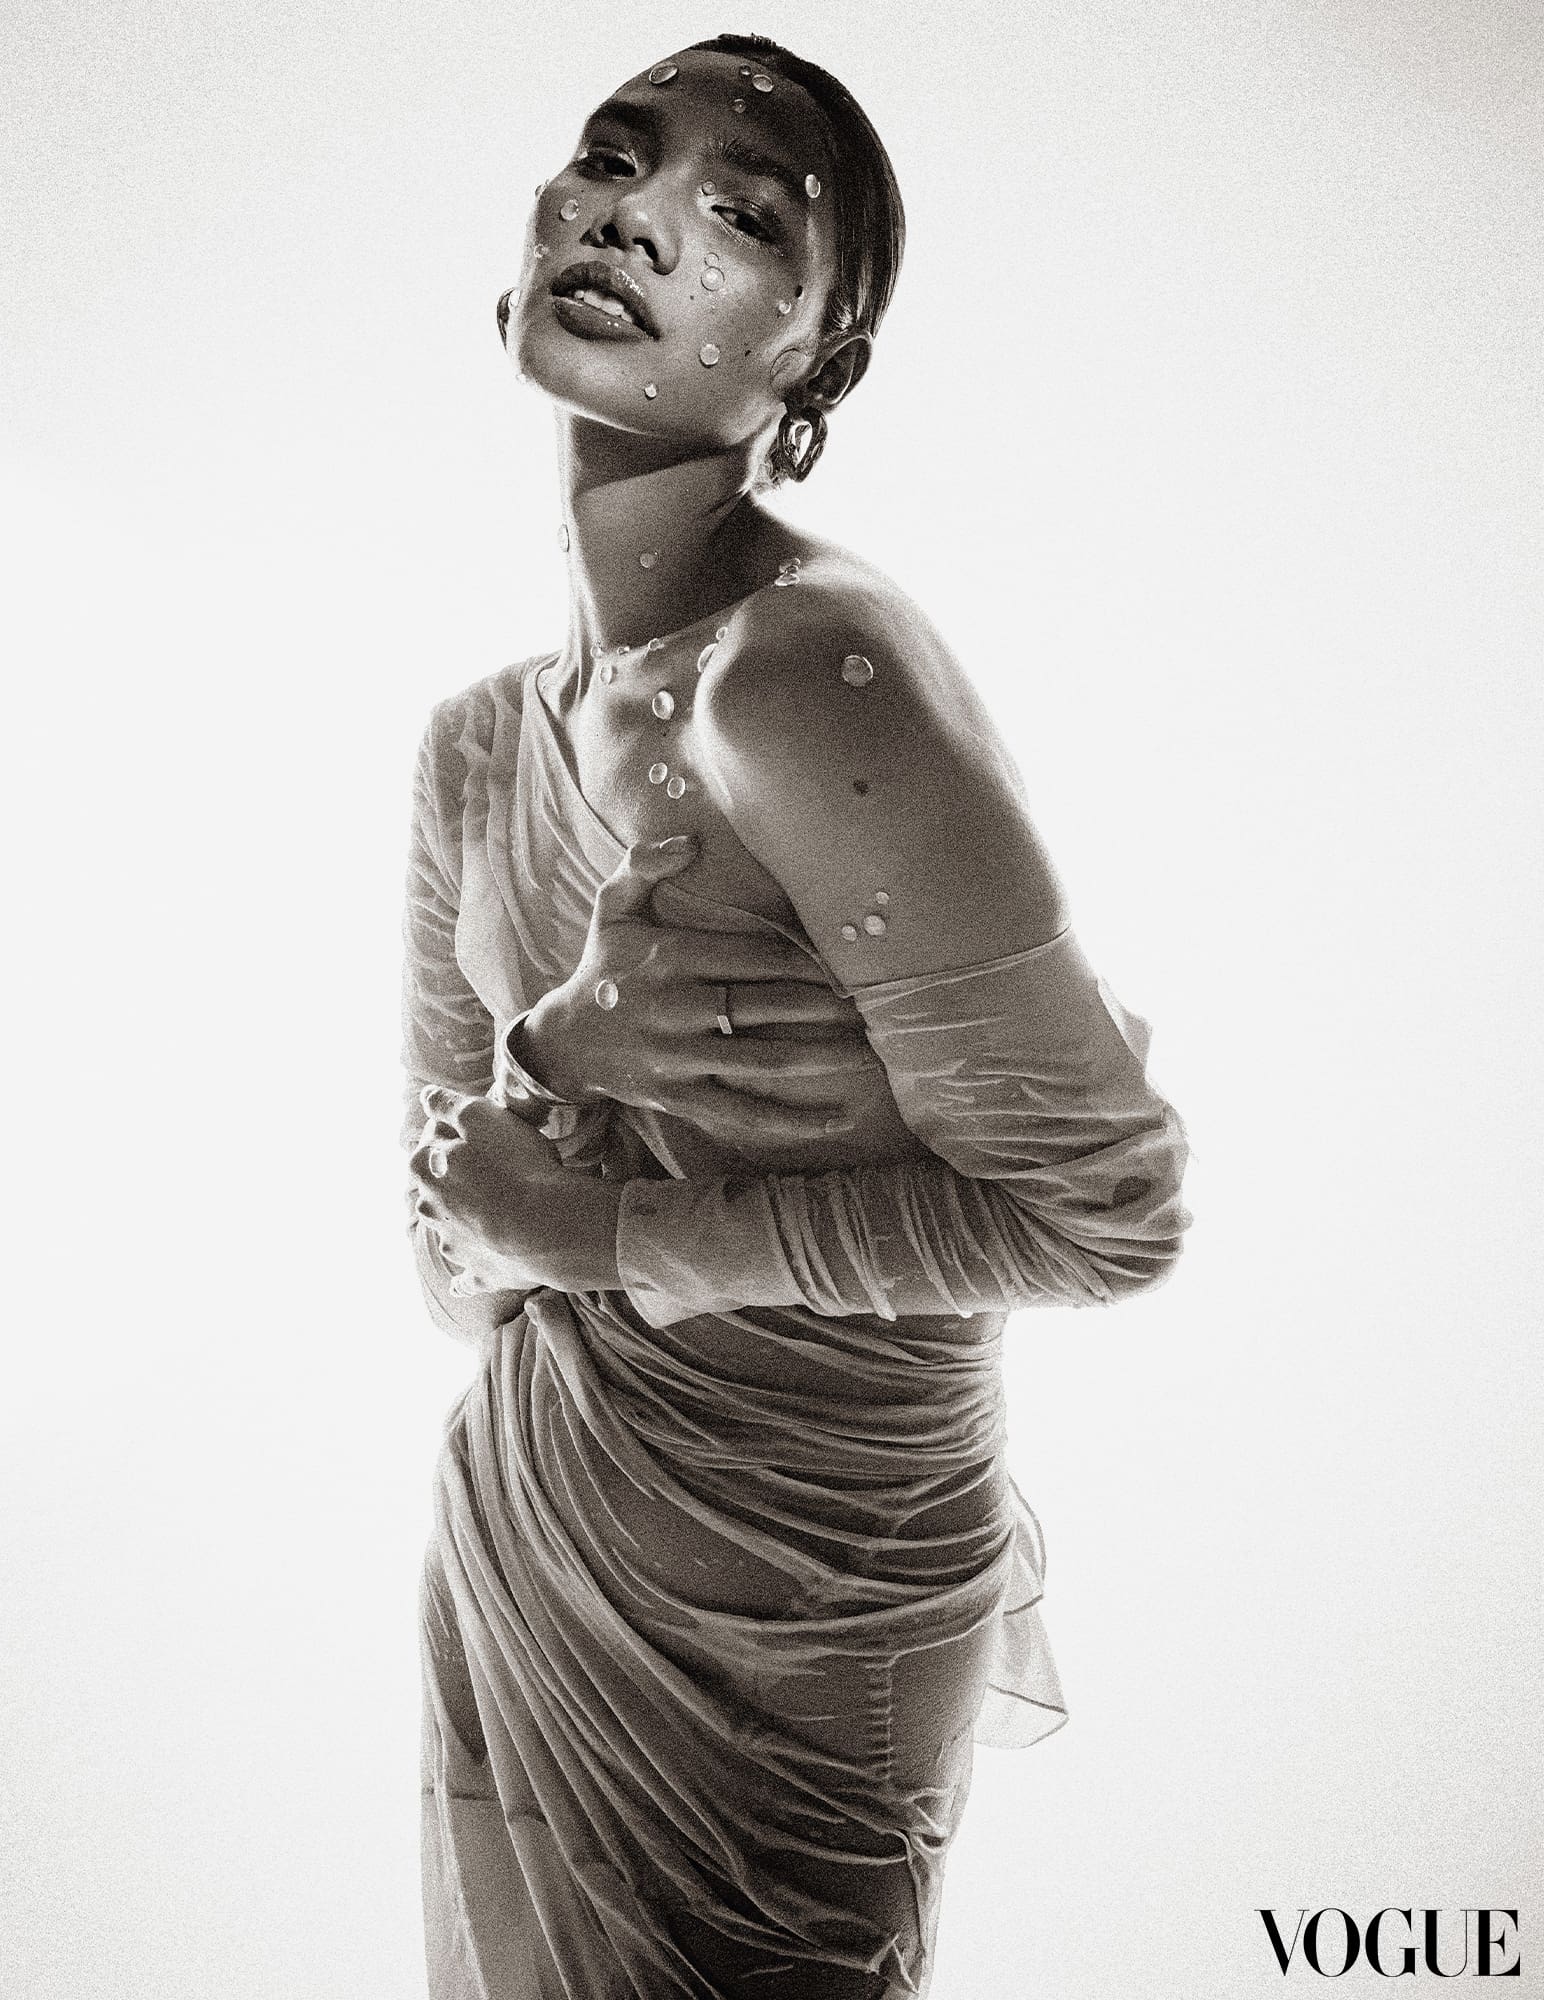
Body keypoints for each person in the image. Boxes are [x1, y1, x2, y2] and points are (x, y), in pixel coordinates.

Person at [402, 33, 1190, 1999]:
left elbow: (1108, 1215)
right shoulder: (470, 751)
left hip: (798, 1615)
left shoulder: (799, 675)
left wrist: (604, 1225)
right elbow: (448, 1259)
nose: (636, 214)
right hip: (527, 1546)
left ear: (805, 376)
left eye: (740, 217)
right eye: (610, 157)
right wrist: (539, 1101)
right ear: (518, 256)